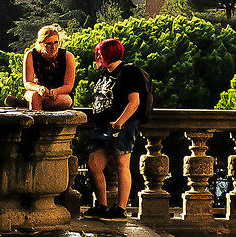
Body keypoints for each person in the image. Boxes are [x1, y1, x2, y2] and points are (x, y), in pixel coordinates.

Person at [82, 37, 152, 220]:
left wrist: (120, 122)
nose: (98, 56)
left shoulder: (128, 71)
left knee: (122, 165)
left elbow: (134, 101)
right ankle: (102, 205)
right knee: (94, 165)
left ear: (110, 53)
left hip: (122, 126)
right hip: (102, 126)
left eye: (100, 53)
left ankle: (120, 208)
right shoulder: (105, 73)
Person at [22, 25, 78, 110]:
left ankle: (27, 104)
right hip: (37, 91)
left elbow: (68, 86)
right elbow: (28, 83)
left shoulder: (68, 57)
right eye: (49, 44)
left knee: (64, 101)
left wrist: (56, 91)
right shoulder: (30, 55)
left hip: (60, 93)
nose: (53, 47)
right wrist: (39, 88)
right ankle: (35, 114)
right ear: (41, 43)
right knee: (34, 96)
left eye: (56, 42)